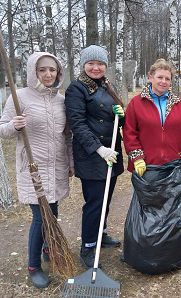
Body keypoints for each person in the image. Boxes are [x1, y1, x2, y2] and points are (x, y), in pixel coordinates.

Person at [0, 52, 74, 288]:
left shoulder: (61, 100)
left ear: (58, 72)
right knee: (40, 218)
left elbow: (67, 135)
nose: (48, 74)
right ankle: (33, 266)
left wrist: (70, 161)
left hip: (57, 165)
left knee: (53, 212)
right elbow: (1, 129)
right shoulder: (20, 97)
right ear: (33, 72)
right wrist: (14, 125)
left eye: (52, 69)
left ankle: (49, 249)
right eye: (42, 70)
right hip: (34, 168)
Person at [65, 45, 125, 269]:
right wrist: (99, 149)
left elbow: (118, 121)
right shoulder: (77, 89)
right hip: (92, 156)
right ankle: (88, 246)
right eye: (91, 63)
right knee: (95, 203)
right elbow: (78, 125)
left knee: (106, 198)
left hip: (112, 152)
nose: (96, 67)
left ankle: (101, 233)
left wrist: (122, 114)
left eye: (100, 64)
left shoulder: (109, 86)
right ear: (84, 65)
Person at [123, 58, 181, 172]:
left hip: (174, 166)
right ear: (150, 77)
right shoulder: (136, 103)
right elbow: (129, 132)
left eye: (167, 79)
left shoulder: (179, 103)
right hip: (144, 166)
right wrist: (137, 157)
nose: (163, 81)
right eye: (160, 77)